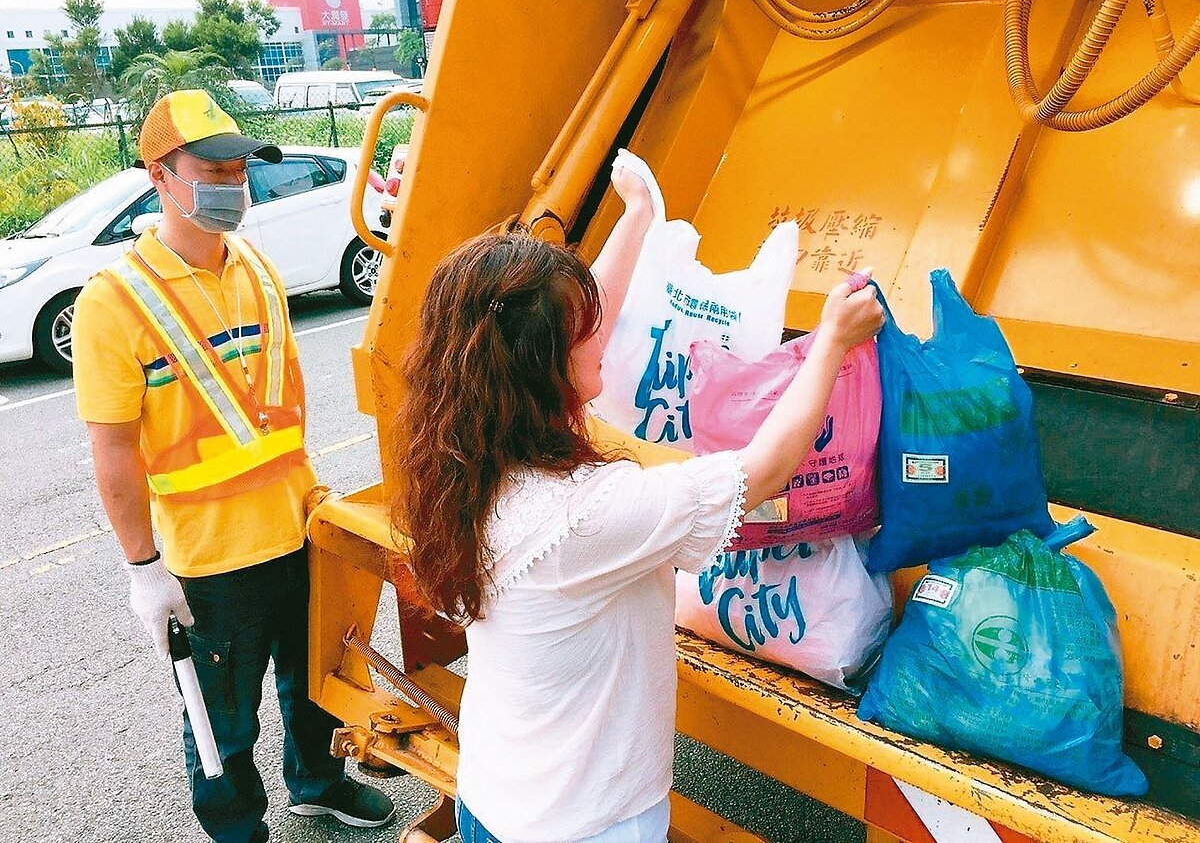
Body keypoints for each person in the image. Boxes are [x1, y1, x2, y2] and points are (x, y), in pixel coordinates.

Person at [393, 156, 885, 842]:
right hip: (586, 826)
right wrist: (831, 341)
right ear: (542, 365)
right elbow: (765, 469)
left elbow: (577, 318)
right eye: (581, 332)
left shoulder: (463, 460)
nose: (606, 335)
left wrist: (637, 217)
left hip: (494, 797)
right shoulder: (586, 515)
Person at [73, 89, 395, 843]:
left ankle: (317, 783)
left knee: (314, 682)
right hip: (208, 561)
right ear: (160, 174)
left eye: (240, 165)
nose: (232, 182)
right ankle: (236, 827)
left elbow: (279, 407)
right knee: (222, 711)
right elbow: (112, 447)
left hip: (295, 528)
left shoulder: (253, 267)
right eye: (211, 168)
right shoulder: (113, 301)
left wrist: (316, 500)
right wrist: (142, 568)